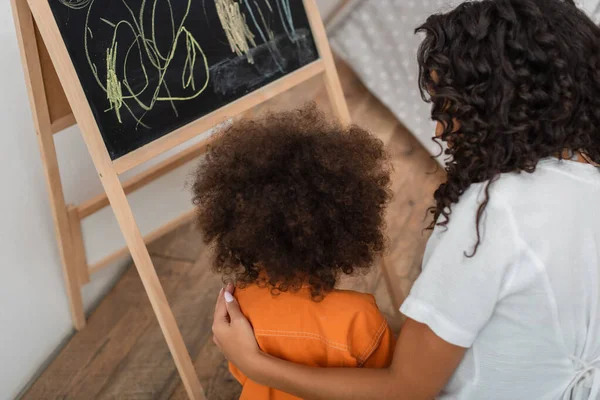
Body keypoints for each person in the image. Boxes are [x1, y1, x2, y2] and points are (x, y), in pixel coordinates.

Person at [211, 0, 600, 398]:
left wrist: (255, 363)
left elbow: (406, 389)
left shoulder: (492, 216)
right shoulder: (588, 178)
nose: (438, 127)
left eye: (450, 107)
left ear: (502, 105)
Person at [192, 104, 396, 399]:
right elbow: (387, 387)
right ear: (348, 229)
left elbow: (241, 370)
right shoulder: (359, 319)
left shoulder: (237, 309)